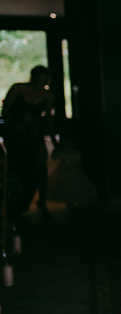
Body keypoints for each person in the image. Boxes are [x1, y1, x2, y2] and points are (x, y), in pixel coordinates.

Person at [2, 65, 55, 219]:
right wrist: (15, 126)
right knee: (18, 167)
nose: (40, 83)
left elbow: (48, 119)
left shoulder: (47, 96)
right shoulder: (18, 89)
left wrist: (50, 137)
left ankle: (42, 202)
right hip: (15, 134)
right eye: (38, 79)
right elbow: (6, 110)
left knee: (40, 165)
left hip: (34, 133)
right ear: (32, 78)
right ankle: (16, 201)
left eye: (44, 80)